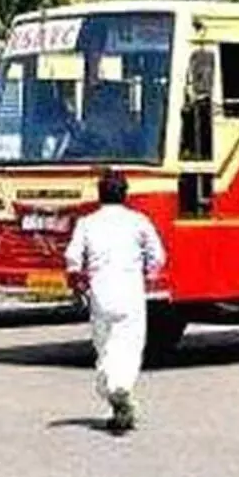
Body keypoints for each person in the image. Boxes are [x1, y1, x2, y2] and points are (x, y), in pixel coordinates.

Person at [64, 169, 167, 434]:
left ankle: (112, 400)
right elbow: (157, 256)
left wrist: (78, 286)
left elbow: (73, 260)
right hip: (131, 292)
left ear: (99, 195)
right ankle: (120, 390)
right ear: (125, 194)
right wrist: (148, 273)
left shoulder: (87, 223)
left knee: (105, 347)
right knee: (129, 347)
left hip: (101, 293)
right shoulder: (138, 221)